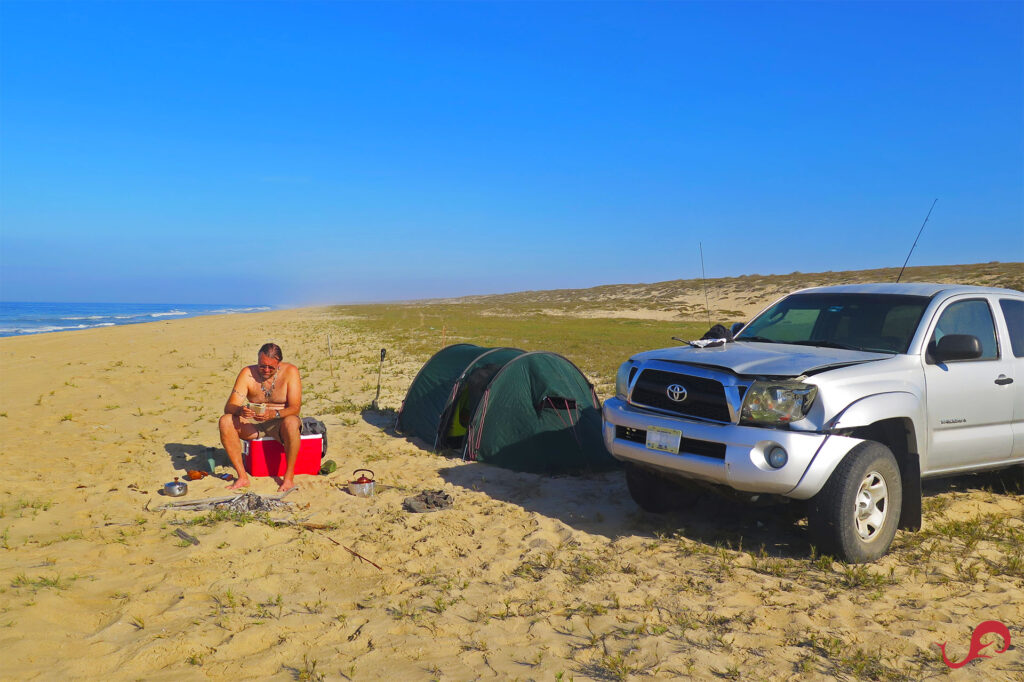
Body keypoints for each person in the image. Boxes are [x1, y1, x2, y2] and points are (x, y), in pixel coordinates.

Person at [219, 342, 303, 491]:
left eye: (271, 367)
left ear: (279, 364)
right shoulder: (247, 373)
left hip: (279, 423)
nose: (266, 370)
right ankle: (242, 477)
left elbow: (295, 408)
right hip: (253, 423)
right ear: (258, 360)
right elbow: (229, 407)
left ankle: (288, 478)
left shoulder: (290, 372)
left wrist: (274, 414)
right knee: (225, 421)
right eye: (262, 366)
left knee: (292, 422)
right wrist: (241, 411)